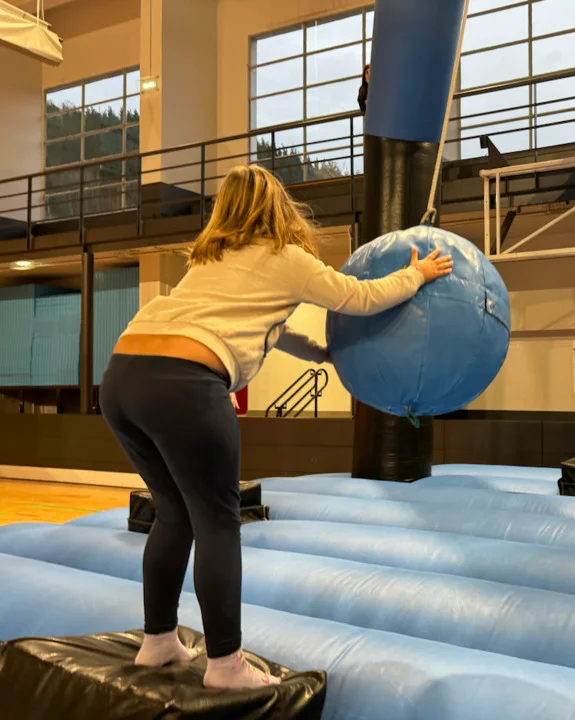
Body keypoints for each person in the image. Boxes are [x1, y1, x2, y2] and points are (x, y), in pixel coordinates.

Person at [98, 164, 452, 689]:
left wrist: (322, 353)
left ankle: (158, 641)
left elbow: (273, 328)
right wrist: (416, 275)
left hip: (122, 377)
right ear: (278, 207)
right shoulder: (285, 257)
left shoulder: (208, 258)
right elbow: (359, 296)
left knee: (173, 514)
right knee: (218, 523)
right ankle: (225, 665)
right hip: (184, 384)